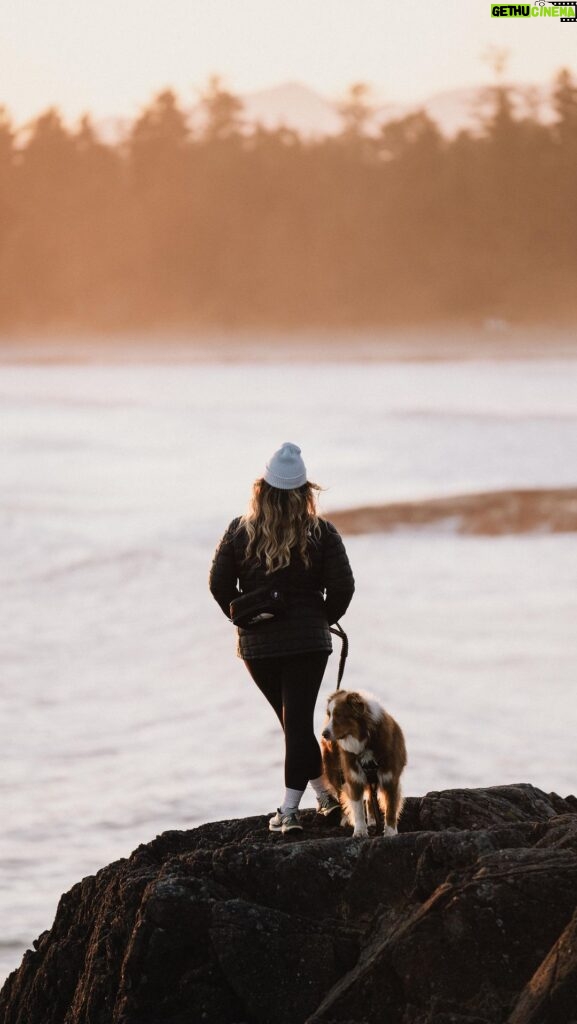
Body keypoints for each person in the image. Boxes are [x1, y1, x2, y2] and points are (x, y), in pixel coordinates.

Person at [209, 442, 355, 834]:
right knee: (297, 725)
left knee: (295, 725)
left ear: (262, 488)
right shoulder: (322, 532)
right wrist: (322, 619)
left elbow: (218, 584)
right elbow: (343, 587)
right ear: (306, 491)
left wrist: (244, 617)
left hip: (259, 647)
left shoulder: (240, 531)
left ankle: (292, 810)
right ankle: (320, 799)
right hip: (308, 643)